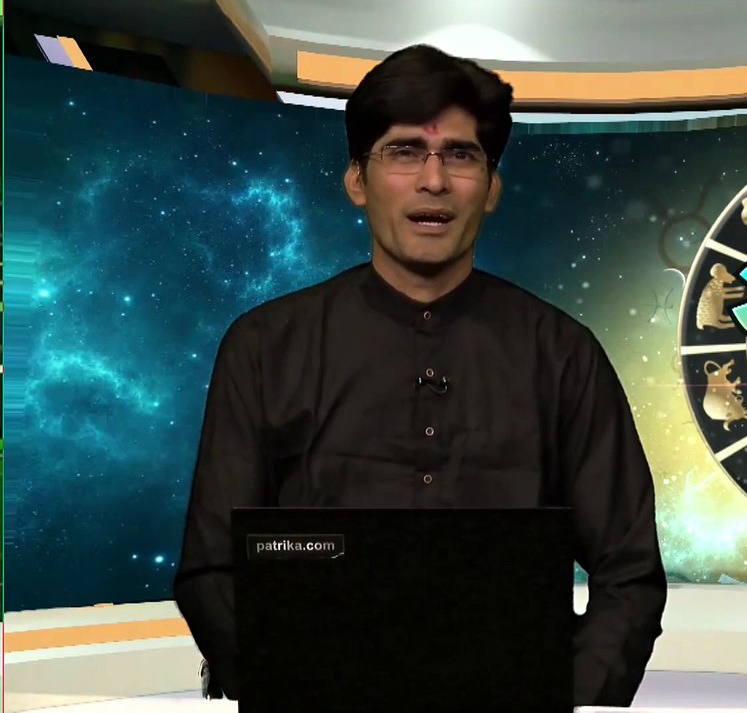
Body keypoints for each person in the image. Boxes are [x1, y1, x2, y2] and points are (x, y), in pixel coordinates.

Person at [173, 44, 667, 707]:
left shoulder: (563, 355)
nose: (434, 180)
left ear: (491, 188)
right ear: (357, 181)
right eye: (404, 152)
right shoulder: (265, 347)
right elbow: (211, 571)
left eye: (460, 155)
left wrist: (563, 699)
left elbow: (629, 575)